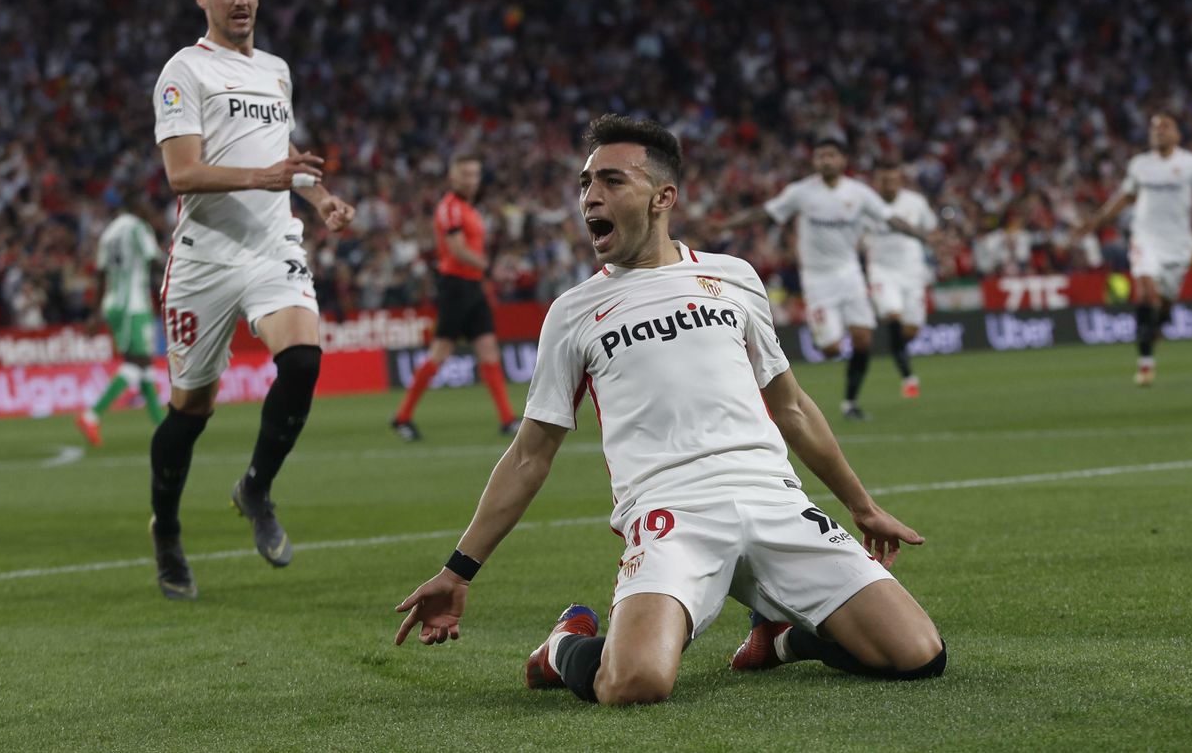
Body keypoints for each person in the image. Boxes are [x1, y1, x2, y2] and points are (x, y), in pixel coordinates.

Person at [394, 115, 944, 705]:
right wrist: (458, 571)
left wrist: (863, 507)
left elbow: (793, 407)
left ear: (663, 198)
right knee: (634, 683)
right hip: (670, 515)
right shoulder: (574, 313)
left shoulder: (733, 279)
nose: (590, 197)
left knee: (918, 656)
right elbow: (530, 455)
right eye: (585, 183)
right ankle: (562, 647)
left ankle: (782, 638)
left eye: (610, 181)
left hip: (773, 499)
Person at [146, 0, 356, 601]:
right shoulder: (184, 72)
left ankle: (256, 487)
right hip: (205, 258)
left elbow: (278, 155)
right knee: (192, 406)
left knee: (301, 361)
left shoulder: (275, 70)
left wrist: (316, 195)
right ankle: (167, 528)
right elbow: (182, 172)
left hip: (273, 246)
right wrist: (264, 175)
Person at [726, 136, 923, 421]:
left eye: (831, 155)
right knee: (831, 349)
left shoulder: (859, 193)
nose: (826, 161)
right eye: (820, 156)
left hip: (850, 274)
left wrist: (923, 236)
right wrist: (726, 225)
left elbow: (891, 218)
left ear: (842, 160)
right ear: (814, 162)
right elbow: (765, 212)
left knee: (864, 340)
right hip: (817, 279)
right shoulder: (801, 193)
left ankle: (850, 403)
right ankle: (825, 333)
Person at [1075, 113, 1192, 386]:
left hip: (1178, 244)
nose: (1159, 133)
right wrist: (1095, 221)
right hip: (1145, 238)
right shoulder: (1140, 165)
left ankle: (1159, 323)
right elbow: (1125, 197)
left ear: (1177, 134)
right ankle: (1145, 365)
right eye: (1154, 129)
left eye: (1165, 128)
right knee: (1145, 291)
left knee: (1164, 304)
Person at [391, 154, 517, 441]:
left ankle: (508, 419)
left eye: (475, 174)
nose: (471, 180)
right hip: (456, 286)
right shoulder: (450, 208)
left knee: (488, 350)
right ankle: (402, 417)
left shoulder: (469, 209)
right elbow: (456, 249)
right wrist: (490, 268)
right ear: (453, 177)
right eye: (466, 174)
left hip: (473, 286)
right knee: (441, 351)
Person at [75, 192, 167, 446]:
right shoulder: (138, 228)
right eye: (146, 206)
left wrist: (95, 313)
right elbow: (155, 260)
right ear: (137, 206)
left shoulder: (108, 233)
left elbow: (101, 275)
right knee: (138, 361)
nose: (149, 211)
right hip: (133, 304)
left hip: (114, 303)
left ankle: (161, 425)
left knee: (143, 362)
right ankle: (91, 415)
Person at [865, 159, 940, 399]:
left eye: (893, 179)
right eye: (884, 179)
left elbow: (932, 228)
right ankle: (908, 376)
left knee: (910, 330)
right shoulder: (866, 204)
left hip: (912, 272)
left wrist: (935, 243)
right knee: (892, 314)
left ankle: (898, 355)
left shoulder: (915, 203)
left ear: (900, 179)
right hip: (882, 271)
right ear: (877, 181)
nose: (888, 184)